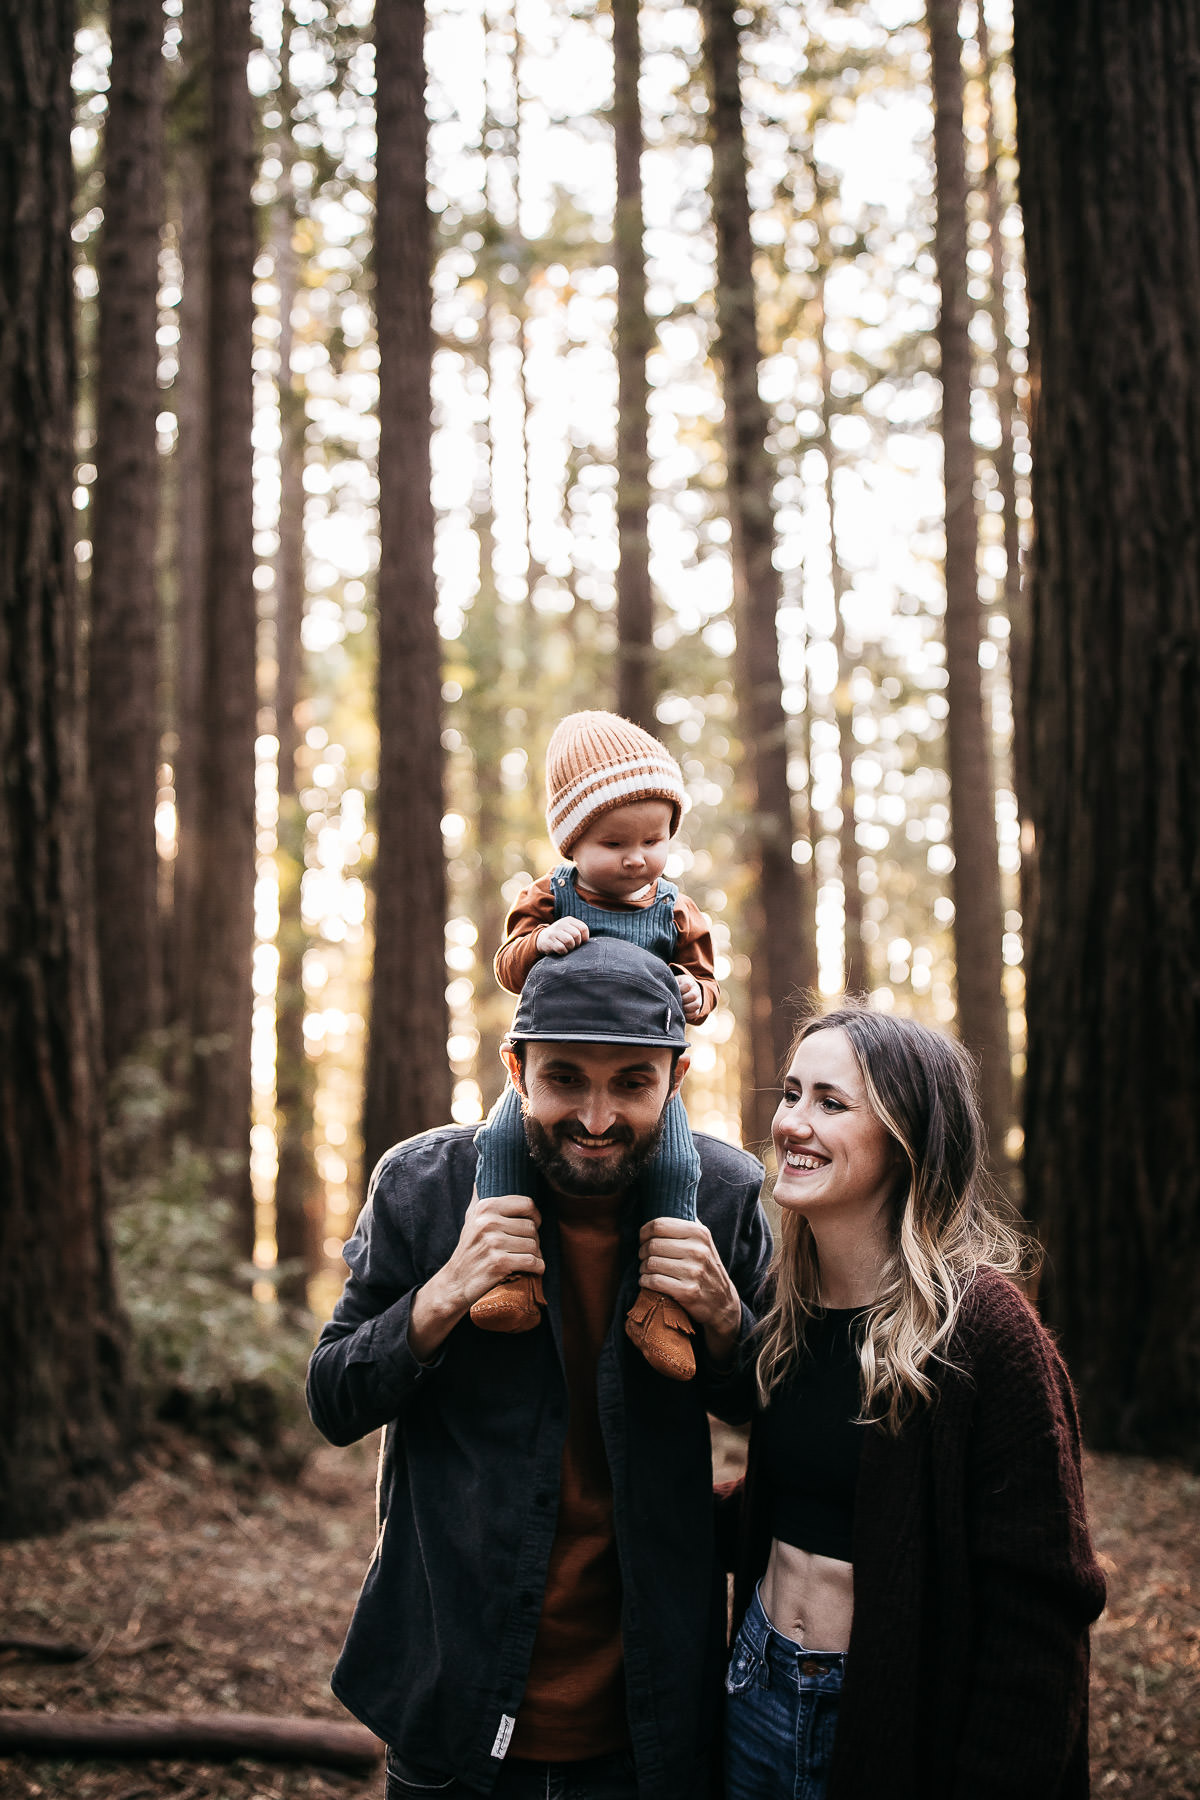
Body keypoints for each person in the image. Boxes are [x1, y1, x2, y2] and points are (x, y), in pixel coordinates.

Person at [307, 937, 771, 1800]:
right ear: (517, 1069)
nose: (596, 1117)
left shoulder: (726, 1194)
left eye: (631, 1082)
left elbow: (768, 1412)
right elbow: (332, 1399)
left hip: (652, 1721)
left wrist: (725, 1321)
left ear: (675, 1079)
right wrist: (442, 1296)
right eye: (565, 1079)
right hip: (454, 1699)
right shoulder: (424, 1186)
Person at [720, 1002, 1106, 1800]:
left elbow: (1037, 1618)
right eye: (791, 1093)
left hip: (893, 1717)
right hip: (753, 1692)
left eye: (831, 1103)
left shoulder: (988, 1334)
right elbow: (797, 1503)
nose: (793, 1121)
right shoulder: (781, 1310)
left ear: (906, 1141)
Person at [470, 710, 721, 1383]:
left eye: (654, 837)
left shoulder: (673, 910)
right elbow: (508, 963)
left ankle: (662, 1304)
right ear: (572, 844)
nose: (638, 856)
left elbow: (702, 978)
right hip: (549, 1062)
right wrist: (537, 944)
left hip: (646, 1066)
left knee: (676, 1166)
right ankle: (512, 1277)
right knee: (498, 1144)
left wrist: (697, 994)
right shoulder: (547, 898)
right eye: (615, 842)